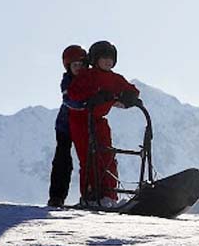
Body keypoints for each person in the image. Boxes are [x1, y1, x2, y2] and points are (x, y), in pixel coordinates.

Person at [68, 40, 140, 207]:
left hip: (98, 120)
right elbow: (74, 93)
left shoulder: (115, 78)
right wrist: (96, 94)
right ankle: (91, 196)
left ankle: (109, 196)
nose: (108, 61)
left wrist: (130, 97)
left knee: (107, 155)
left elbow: (131, 89)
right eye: (104, 58)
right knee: (89, 157)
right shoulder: (88, 75)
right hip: (81, 120)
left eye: (111, 58)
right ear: (95, 59)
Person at [47, 45, 87, 207]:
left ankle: (93, 193)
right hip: (65, 125)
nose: (78, 68)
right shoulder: (67, 81)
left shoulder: (90, 79)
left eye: (81, 65)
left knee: (89, 158)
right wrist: (84, 105)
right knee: (63, 158)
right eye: (74, 65)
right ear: (68, 67)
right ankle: (57, 196)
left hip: (84, 124)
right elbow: (68, 99)